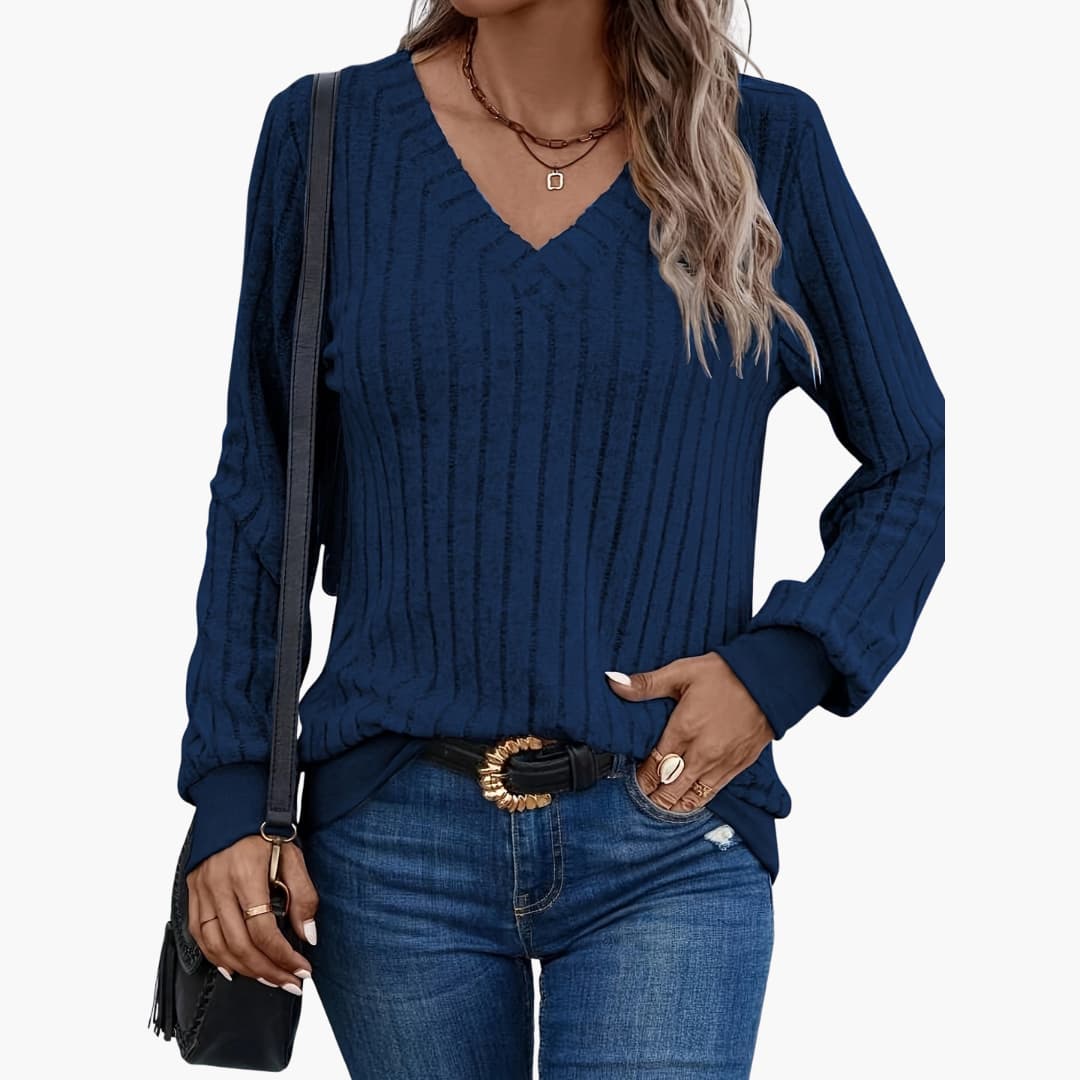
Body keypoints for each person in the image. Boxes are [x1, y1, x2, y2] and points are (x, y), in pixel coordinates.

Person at [177, 2, 945, 1076]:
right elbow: (259, 486)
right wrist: (230, 791)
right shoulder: (328, 136)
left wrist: (782, 667)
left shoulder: (765, 145)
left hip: (668, 829)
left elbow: (911, 459)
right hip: (392, 842)